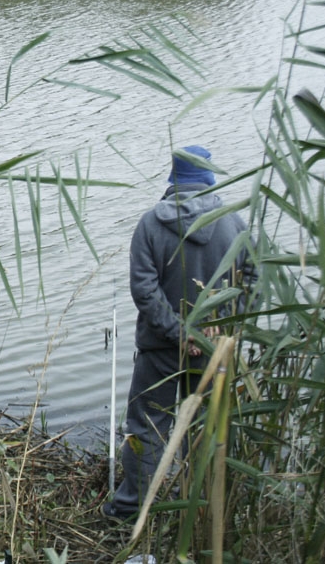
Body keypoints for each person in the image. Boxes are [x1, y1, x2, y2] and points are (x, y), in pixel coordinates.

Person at [102, 145, 254, 521]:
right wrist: (225, 324)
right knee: (205, 430)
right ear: (207, 176)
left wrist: (179, 333)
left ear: (173, 178)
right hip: (216, 351)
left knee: (147, 429)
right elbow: (255, 280)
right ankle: (202, 511)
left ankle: (130, 513)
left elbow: (144, 291)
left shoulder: (150, 225)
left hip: (160, 351)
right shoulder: (233, 223)